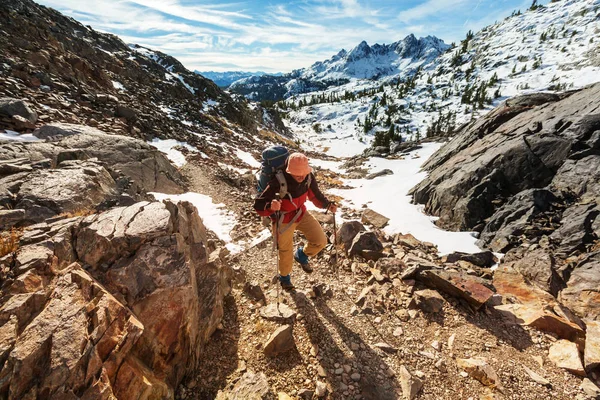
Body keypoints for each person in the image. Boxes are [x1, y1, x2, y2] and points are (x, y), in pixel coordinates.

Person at [254, 152, 337, 290]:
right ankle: (285, 277)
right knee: (285, 252)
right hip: (283, 219)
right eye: (297, 173)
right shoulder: (278, 181)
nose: (301, 176)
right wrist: (270, 206)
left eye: (303, 173)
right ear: (288, 170)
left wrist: (327, 205)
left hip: (300, 213)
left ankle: (301, 255)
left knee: (320, 241)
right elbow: (259, 205)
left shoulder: (308, 177)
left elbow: (315, 195)